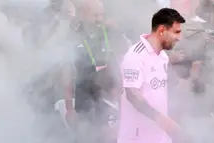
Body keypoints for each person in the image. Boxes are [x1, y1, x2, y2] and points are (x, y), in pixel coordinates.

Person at [117, 8, 188, 143]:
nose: (179, 38)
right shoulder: (135, 56)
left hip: (159, 136)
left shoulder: (163, 56)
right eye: (176, 32)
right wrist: (162, 120)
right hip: (137, 137)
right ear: (162, 30)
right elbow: (132, 94)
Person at [63, 0, 128, 142]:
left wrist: (123, 97)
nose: (99, 19)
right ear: (82, 15)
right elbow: (67, 72)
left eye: (101, 15)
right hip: (84, 100)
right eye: (95, 15)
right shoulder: (73, 37)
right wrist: (69, 108)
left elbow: (125, 62)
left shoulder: (112, 33)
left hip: (110, 98)